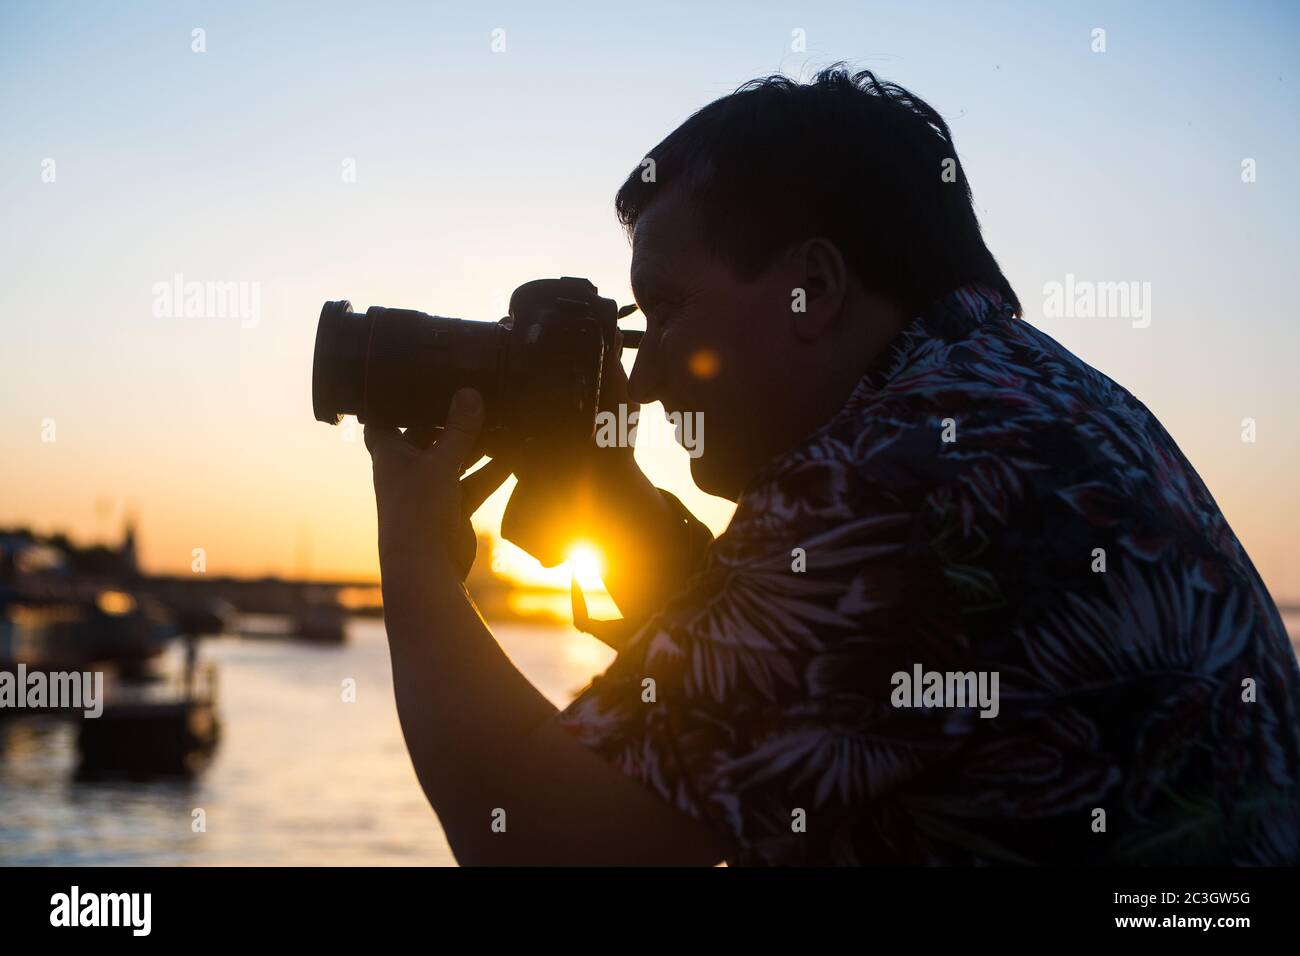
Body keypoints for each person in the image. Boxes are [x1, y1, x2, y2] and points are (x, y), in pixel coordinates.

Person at [365, 65, 1300, 865]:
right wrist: (614, 505)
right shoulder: (1037, 401)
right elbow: (821, 683)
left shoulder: (893, 477)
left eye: (667, 309)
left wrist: (412, 551)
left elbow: (536, 838)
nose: (642, 377)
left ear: (813, 285)